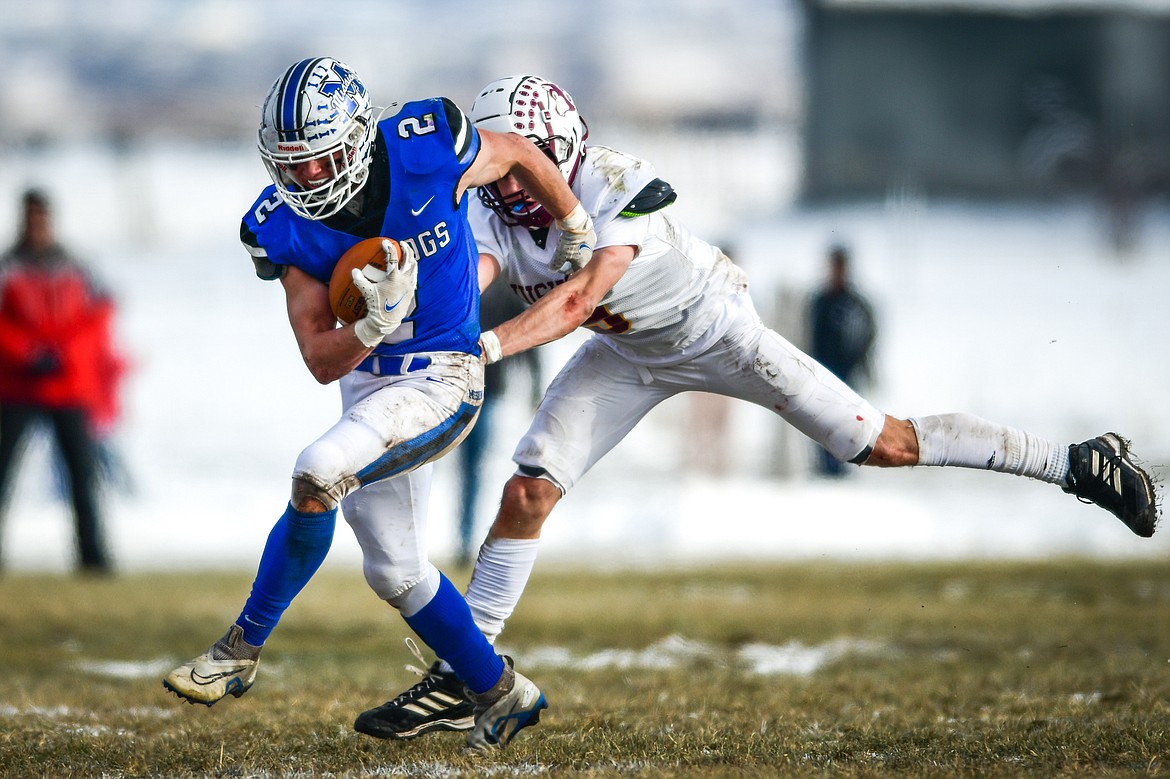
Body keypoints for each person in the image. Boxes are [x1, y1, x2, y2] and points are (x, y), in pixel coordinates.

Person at [353, 74, 1161, 741]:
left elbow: (575, 301)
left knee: (880, 442)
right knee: (527, 489)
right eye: (505, 175)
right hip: (627, 354)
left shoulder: (617, 181)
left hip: (717, 331)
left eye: (530, 173)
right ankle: (468, 671)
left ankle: (1075, 460)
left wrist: (484, 352)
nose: (518, 192)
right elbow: (483, 281)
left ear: (567, 154)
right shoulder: (492, 206)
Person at [160, 57, 599, 753]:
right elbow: (317, 357)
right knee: (394, 570)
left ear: (361, 137)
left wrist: (572, 219)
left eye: (323, 158)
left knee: (315, 471)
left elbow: (517, 150)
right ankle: (502, 691)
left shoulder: (426, 145)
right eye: (292, 164)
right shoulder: (280, 225)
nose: (308, 178)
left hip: (444, 374)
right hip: (368, 384)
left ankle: (238, 650)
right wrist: (365, 327)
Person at [0, 188, 126, 574]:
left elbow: (100, 314)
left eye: (42, 216)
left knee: (82, 478)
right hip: (19, 386)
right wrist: (29, 354)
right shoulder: (9, 267)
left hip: (68, 386)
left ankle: (93, 559)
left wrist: (65, 354)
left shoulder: (75, 265)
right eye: (31, 216)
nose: (37, 224)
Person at [454, 281, 541, 567]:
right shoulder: (492, 290)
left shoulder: (493, 291)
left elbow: (529, 338)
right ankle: (468, 539)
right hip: (464, 393)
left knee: (473, 470)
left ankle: (470, 539)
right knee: (473, 470)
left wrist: (536, 389)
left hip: (476, 394)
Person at [807, 242, 877, 477]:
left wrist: (862, 365)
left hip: (847, 376)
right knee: (820, 424)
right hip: (821, 375)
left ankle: (843, 471)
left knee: (848, 426)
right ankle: (824, 469)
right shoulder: (819, 301)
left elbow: (868, 335)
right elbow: (808, 337)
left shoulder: (855, 304)